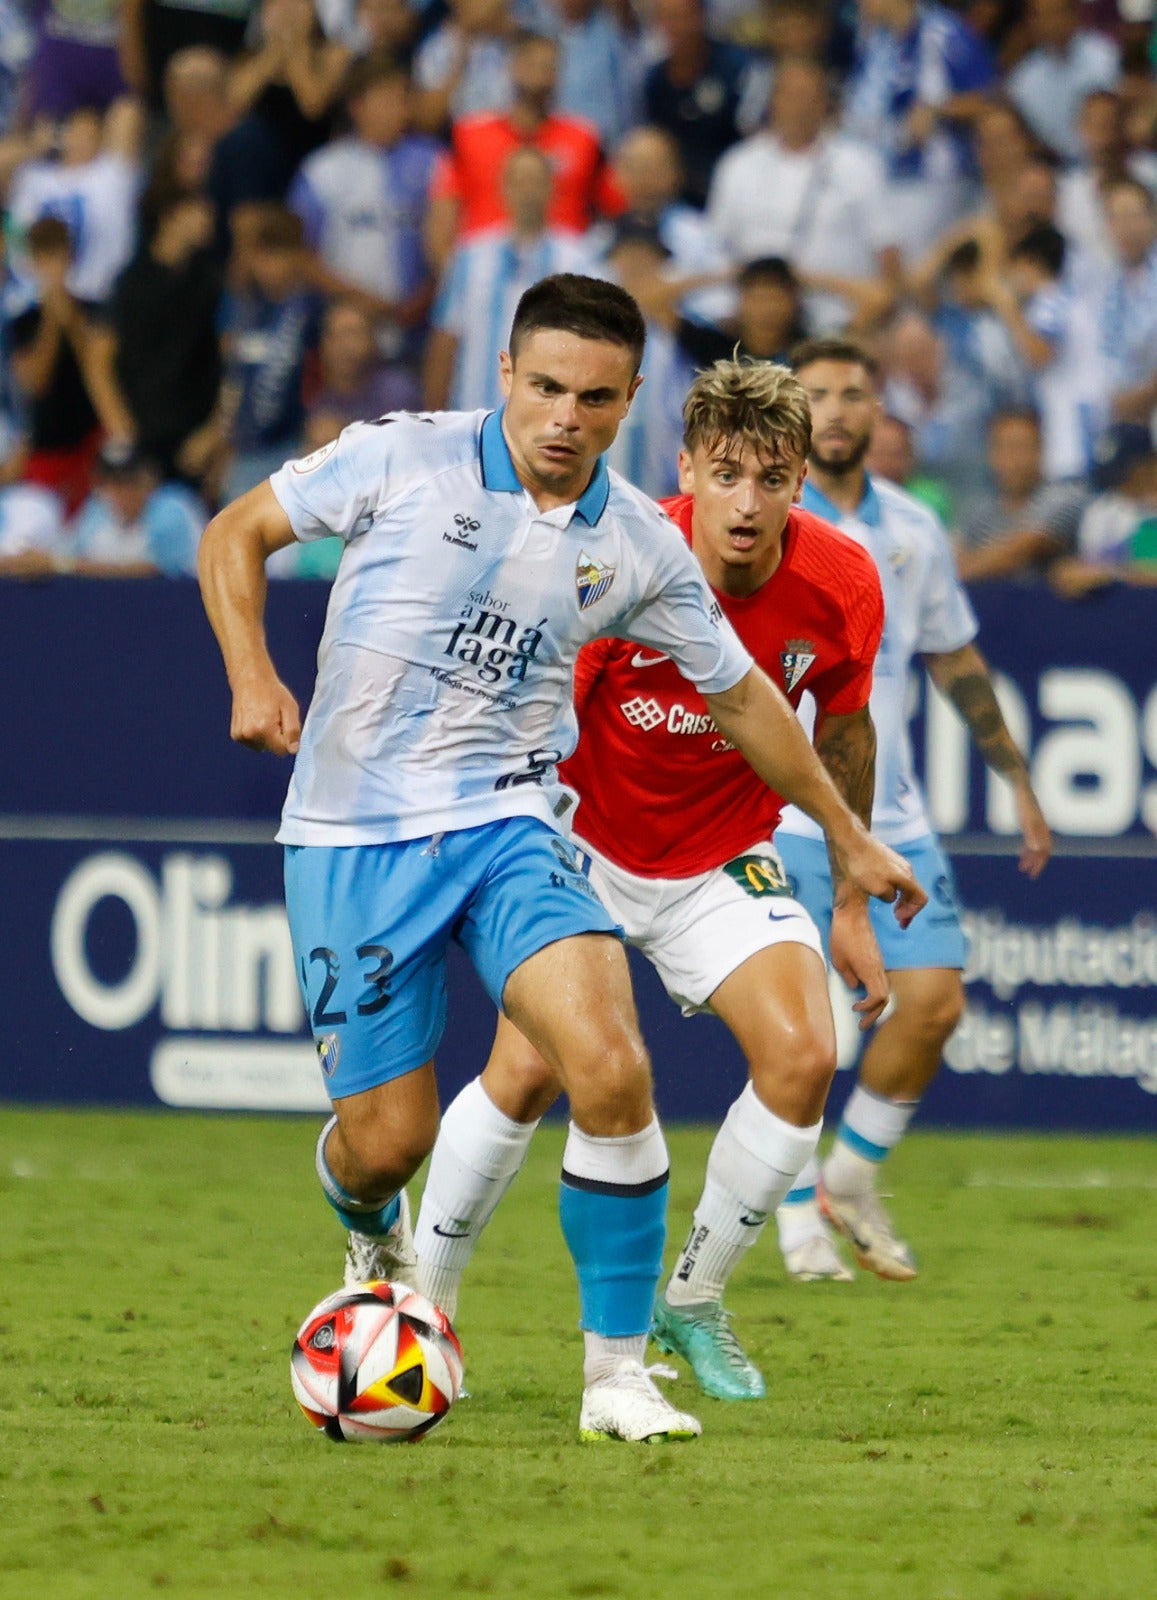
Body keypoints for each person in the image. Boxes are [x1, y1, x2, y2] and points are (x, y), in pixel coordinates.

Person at [197, 274, 924, 1442]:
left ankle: (616, 1377)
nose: (563, 419)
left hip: (512, 827)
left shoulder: (638, 540)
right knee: (389, 1141)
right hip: (352, 835)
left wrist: (845, 840)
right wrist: (250, 670)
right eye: (543, 388)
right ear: (505, 375)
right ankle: (369, 1220)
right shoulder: (399, 455)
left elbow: (743, 699)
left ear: (628, 400)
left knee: (609, 1065)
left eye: (592, 398)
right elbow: (235, 532)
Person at [410, 356, 892, 1396]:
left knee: (804, 1054)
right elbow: (524, 712)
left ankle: (691, 1299)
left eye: (769, 479)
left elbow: (844, 729)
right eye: (724, 474)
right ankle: (422, 1303)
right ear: (685, 469)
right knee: (531, 1069)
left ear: (799, 481)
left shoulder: (843, 583)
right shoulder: (613, 554)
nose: (745, 503)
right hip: (578, 841)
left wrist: (847, 894)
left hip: (721, 855)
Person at [773, 335, 1052, 1283]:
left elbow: (954, 659)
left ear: (880, 410)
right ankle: (791, 1215)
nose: (840, 409)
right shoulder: (757, 516)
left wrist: (1014, 779)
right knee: (797, 1031)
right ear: (791, 409)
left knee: (933, 1005)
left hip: (887, 816)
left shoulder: (912, 528)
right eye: (819, 393)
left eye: (855, 392)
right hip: (775, 817)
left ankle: (846, 1177)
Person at [706, 55, 899, 334]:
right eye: (790, 95)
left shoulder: (859, 165)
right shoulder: (738, 164)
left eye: (808, 96)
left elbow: (887, 252)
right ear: (773, 101)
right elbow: (716, 247)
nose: (799, 106)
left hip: (836, 321)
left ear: (825, 103)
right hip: (755, 326)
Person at [288, 52, 439, 366]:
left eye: (403, 99)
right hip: (345, 338)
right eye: (386, 99)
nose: (399, 109)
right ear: (357, 106)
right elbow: (301, 255)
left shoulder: (433, 163)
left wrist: (427, 296)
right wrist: (367, 303)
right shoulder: (323, 170)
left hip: (419, 335)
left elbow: (451, 243)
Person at [424, 30, 614, 270]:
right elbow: (441, 219)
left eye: (550, 67)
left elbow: (617, 211)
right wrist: (460, 280)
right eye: (533, 64)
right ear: (512, 66)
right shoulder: (468, 135)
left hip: (563, 278)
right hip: (486, 274)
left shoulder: (585, 139)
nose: (542, 75)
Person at [423, 145, 592, 412]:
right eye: (519, 181)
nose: (527, 191)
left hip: (548, 422)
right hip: (476, 417)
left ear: (552, 189)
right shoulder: (469, 257)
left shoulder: (579, 261)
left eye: (535, 181)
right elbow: (446, 340)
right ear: (504, 188)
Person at [6, 216, 133, 514]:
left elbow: (98, 368)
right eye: (45, 258)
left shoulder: (95, 311)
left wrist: (71, 319)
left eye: (58, 256)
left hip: (90, 446)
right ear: (33, 262)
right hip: (47, 450)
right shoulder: (23, 322)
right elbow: (36, 381)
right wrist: (52, 319)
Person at [956, 406, 1088, 581]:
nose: (1013, 458)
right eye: (1003, 447)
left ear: (1041, 450)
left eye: (1022, 447)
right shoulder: (978, 510)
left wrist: (962, 573)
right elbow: (957, 556)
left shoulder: (1064, 498)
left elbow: (1024, 548)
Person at [66, 440, 206, 576]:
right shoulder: (97, 510)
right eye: (110, 482)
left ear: (148, 479)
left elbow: (155, 572)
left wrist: (76, 566)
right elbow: (69, 556)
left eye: (128, 481)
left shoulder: (171, 508)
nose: (119, 491)